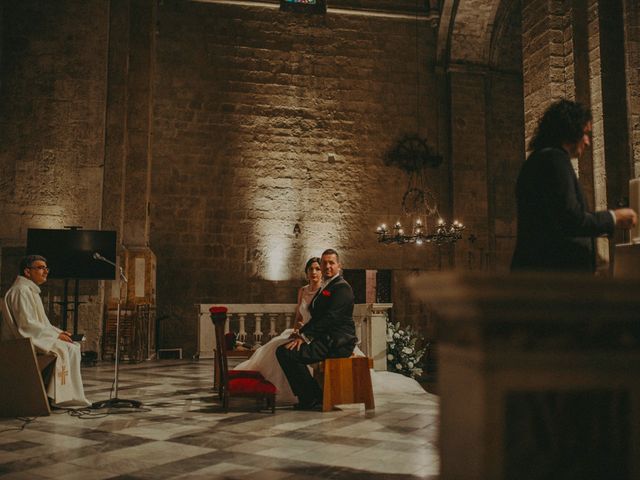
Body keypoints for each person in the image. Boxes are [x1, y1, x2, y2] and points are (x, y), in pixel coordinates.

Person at [511, 99, 637, 273]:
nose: (587, 142)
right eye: (585, 133)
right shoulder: (553, 160)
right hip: (552, 279)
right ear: (570, 130)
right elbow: (571, 220)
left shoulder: (539, 159)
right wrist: (614, 218)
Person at [276, 248, 357, 411]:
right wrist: (300, 334)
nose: (327, 266)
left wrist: (305, 337)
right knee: (285, 350)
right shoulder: (327, 285)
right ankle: (314, 396)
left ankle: (311, 398)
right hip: (325, 339)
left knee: (286, 353)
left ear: (339, 266)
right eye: (324, 263)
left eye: (331, 263)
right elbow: (317, 318)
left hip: (337, 342)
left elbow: (330, 318)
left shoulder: (342, 287)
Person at [233, 256, 322, 404]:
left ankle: (304, 393)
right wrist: (296, 330)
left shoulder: (324, 291)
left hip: (313, 334)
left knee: (287, 350)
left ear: (322, 272)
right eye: (310, 269)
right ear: (306, 272)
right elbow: (299, 315)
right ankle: (269, 386)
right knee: (274, 346)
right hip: (300, 332)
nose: (314, 272)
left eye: (317, 269)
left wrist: (306, 334)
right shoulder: (303, 290)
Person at [4, 255, 90, 407]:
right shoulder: (21, 291)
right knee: (67, 348)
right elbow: (27, 324)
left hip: (34, 336)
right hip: (21, 342)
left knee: (73, 346)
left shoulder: (29, 290)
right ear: (27, 271)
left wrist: (60, 332)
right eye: (40, 268)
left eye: (46, 268)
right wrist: (56, 336)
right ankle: (58, 397)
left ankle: (62, 395)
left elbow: (42, 323)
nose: (45, 272)